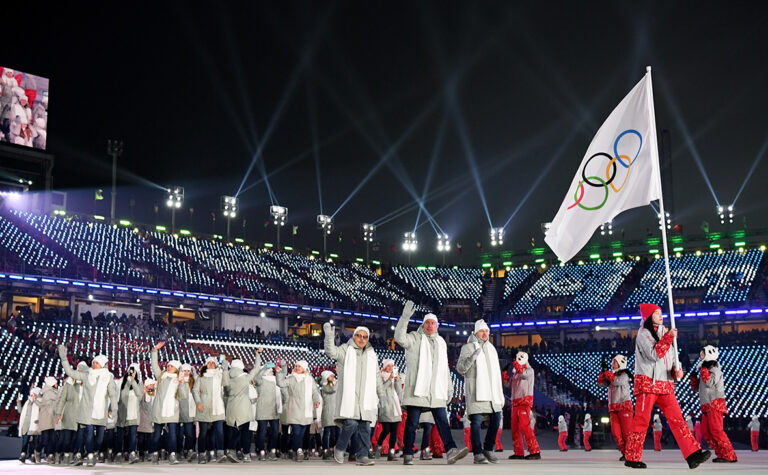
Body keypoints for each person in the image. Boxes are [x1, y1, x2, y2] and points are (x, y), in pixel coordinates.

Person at [623, 303, 710, 469]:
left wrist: (677, 371)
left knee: (678, 419)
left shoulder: (665, 331)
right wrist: (669, 338)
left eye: (660, 313)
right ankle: (632, 457)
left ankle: (692, 454)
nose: (660, 315)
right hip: (647, 383)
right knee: (641, 421)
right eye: (656, 313)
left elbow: (669, 358)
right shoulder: (643, 334)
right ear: (648, 317)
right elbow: (654, 355)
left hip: (665, 384)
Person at [394, 301, 469, 465]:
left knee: (442, 422)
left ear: (437, 326)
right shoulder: (415, 338)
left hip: (435, 391)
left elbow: (444, 369)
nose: (430, 326)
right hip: (417, 389)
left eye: (433, 323)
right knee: (412, 423)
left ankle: (451, 450)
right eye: (427, 322)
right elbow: (399, 338)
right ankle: (408, 454)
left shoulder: (441, 342)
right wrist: (405, 317)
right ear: (423, 324)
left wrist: (449, 389)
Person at [323, 322, 381, 466]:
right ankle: (340, 447)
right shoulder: (345, 349)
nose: (362, 339)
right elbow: (331, 352)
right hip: (350, 396)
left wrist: (381, 394)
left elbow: (377, 375)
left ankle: (362, 455)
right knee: (350, 423)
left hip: (366, 398)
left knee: (365, 427)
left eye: (365, 337)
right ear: (354, 337)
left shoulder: (372, 354)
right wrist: (329, 336)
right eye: (359, 336)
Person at [57, 345, 118, 467]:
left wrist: (114, 409)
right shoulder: (86, 375)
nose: (94, 364)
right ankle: (90, 455)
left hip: (101, 412)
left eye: (96, 363)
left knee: (100, 439)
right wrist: (64, 358)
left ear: (102, 364)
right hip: (87, 412)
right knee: (88, 434)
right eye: (93, 362)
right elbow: (70, 372)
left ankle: (94, 452)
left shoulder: (108, 377)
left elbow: (112, 395)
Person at [455, 319, 504, 464]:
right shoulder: (468, 347)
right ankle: (477, 453)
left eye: (487, 331)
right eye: (482, 331)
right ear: (476, 332)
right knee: (476, 422)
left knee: (496, 418)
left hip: (492, 392)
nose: (485, 333)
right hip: (476, 390)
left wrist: (499, 392)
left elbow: (495, 373)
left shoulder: (492, 349)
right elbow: (460, 368)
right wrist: (472, 358)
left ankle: (488, 449)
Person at [690, 345, 737, 463]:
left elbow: (710, 383)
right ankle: (721, 453)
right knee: (706, 432)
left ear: (708, 355)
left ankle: (730, 455)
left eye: (702, 354)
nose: (700, 356)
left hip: (715, 404)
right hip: (707, 405)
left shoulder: (715, 369)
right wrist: (694, 379)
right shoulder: (705, 370)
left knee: (716, 431)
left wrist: (703, 370)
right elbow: (697, 388)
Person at [276, 359, 321, 462]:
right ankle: (299, 451)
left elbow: (315, 392)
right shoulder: (291, 378)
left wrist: (317, 400)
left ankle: (298, 449)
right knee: (296, 431)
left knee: (302, 433)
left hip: (306, 409)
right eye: (296, 366)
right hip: (294, 408)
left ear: (304, 368)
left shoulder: (309, 379)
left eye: (299, 366)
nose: (297, 368)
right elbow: (281, 384)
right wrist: (278, 373)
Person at [224, 352, 261, 462]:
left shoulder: (227, 376)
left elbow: (225, 392)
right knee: (246, 432)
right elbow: (257, 368)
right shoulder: (246, 377)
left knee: (233, 431)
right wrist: (257, 354)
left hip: (231, 407)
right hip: (244, 408)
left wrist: (225, 369)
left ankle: (231, 451)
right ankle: (246, 454)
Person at [149, 341, 182, 464]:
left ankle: (172, 454)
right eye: (168, 365)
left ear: (177, 369)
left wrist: (181, 384)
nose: (169, 367)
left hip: (172, 410)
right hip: (159, 409)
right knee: (156, 434)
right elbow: (154, 365)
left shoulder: (179, 380)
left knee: (173, 434)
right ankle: (155, 453)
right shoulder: (161, 377)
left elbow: (182, 396)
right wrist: (154, 350)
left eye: (172, 366)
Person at [193, 355, 229, 463]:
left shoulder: (219, 375)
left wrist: (225, 368)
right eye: (209, 363)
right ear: (206, 365)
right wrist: (198, 402)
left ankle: (220, 453)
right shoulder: (201, 377)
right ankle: (202, 455)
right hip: (204, 406)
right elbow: (195, 390)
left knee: (219, 431)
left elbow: (226, 383)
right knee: (203, 432)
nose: (211, 364)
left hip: (217, 406)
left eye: (213, 363)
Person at [507, 350, 541, 460]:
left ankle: (535, 451)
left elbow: (523, 374)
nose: (517, 360)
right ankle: (519, 452)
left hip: (524, 402)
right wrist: (504, 373)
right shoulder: (516, 372)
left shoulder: (529, 371)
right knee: (515, 429)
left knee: (525, 428)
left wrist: (516, 364)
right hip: (515, 403)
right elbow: (507, 384)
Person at [597, 354, 632, 460]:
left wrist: (607, 372)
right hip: (613, 409)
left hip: (624, 407)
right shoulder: (611, 375)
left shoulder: (625, 374)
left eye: (615, 362)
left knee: (627, 433)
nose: (613, 364)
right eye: (612, 362)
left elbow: (617, 381)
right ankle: (625, 453)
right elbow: (601, 384)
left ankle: (630, 454)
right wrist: (603, 373)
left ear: (620, 363)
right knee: (616, 433)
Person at [372, 359, 403, 461]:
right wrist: (389, 380)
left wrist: (398, 380)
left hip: (395, 406)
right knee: (386, 430)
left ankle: (391, 453)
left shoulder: (394, 377)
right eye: (389, 366)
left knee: (394, 431)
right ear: (385, 367)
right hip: (385, 405)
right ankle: (379, 446)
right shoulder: (380, 376)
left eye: (392, 366)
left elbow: (399, 391)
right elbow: (380, 390)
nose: (390, 368)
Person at [253, 357, 282, 461]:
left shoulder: (276, 381)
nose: (271, 372)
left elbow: (281, 379)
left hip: (274, 409)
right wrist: (266, 366)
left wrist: (278, 368)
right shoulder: (261, 381)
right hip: (262, 410)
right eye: (269, 371)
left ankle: (272, 450)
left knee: (275, 432)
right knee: (262, 432)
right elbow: (256, 378)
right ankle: (261, 451)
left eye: (271, 371)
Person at [116, 363, 142, 464]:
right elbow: (122, 395)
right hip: (123, 412)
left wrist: (133, 381)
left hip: (133, 413)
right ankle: (118, 453)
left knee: (132, 434)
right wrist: (128, 381)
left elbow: (139, 395)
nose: (132, 372)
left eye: (134, 371)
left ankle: (132, 453)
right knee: (120, 434)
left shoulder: (139, 383)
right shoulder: (122, 382)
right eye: (131, 370)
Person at [55, 369, 82, 465]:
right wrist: (58, 413)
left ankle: (70, 456)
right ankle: (64, 455)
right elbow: (62, 400)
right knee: (66, 438)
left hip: (80, 415)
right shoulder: (68, 384)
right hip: (68, 414)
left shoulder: (85, 384)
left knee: (76, 438)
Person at [178, 363, 197, 462]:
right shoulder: (178, 382)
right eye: (184, 371)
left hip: (190, 412)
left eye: (188, 371)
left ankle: (189, 450)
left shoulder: (193, 382)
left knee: (189, 434)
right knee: (179, 434)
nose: (186, 373)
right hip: (179, 413)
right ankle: (178, 451)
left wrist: (194, 371)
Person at [17, 387, 42, 463]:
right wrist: (18, 403)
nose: (32, 395)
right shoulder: (27, 402)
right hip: (26, 425)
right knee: (25, 442)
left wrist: (35, 401)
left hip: (34, 425)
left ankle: (32, 456)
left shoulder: (40, 402)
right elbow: (21, 411)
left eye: (34, 394)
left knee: (33, 442)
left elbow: (42, 409)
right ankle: (23, 455)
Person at [38, 376, 58, 463]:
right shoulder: (48, 392)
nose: (57, 384)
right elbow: (58, 398)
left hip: (51, 418)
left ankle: (50, 455)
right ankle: (38, 451)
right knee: (45, 439)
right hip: (46, 418)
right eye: (56, 383)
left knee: (52, 438)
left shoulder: (50, 392)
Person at [319, 370, 338, 460]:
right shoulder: (324, 386)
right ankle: (325, 450)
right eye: (331, 376)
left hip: (335, 412)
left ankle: (332, 448)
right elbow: (332, 390)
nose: (333, 377)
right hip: (327, 412)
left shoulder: (334, 385)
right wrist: (339, 382)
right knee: (327, 433)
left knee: (334, 434)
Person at [138, 379, 155, 461]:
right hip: (142, 419)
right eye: (150, 385)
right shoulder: (142, 393)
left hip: (150, 419)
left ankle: (149, 453)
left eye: (153, 385)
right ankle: (141, 453)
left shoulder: (154, 395)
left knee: (150, 438)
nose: (152, 387)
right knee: (141, 439)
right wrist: (143, 392)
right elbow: (137, 401)